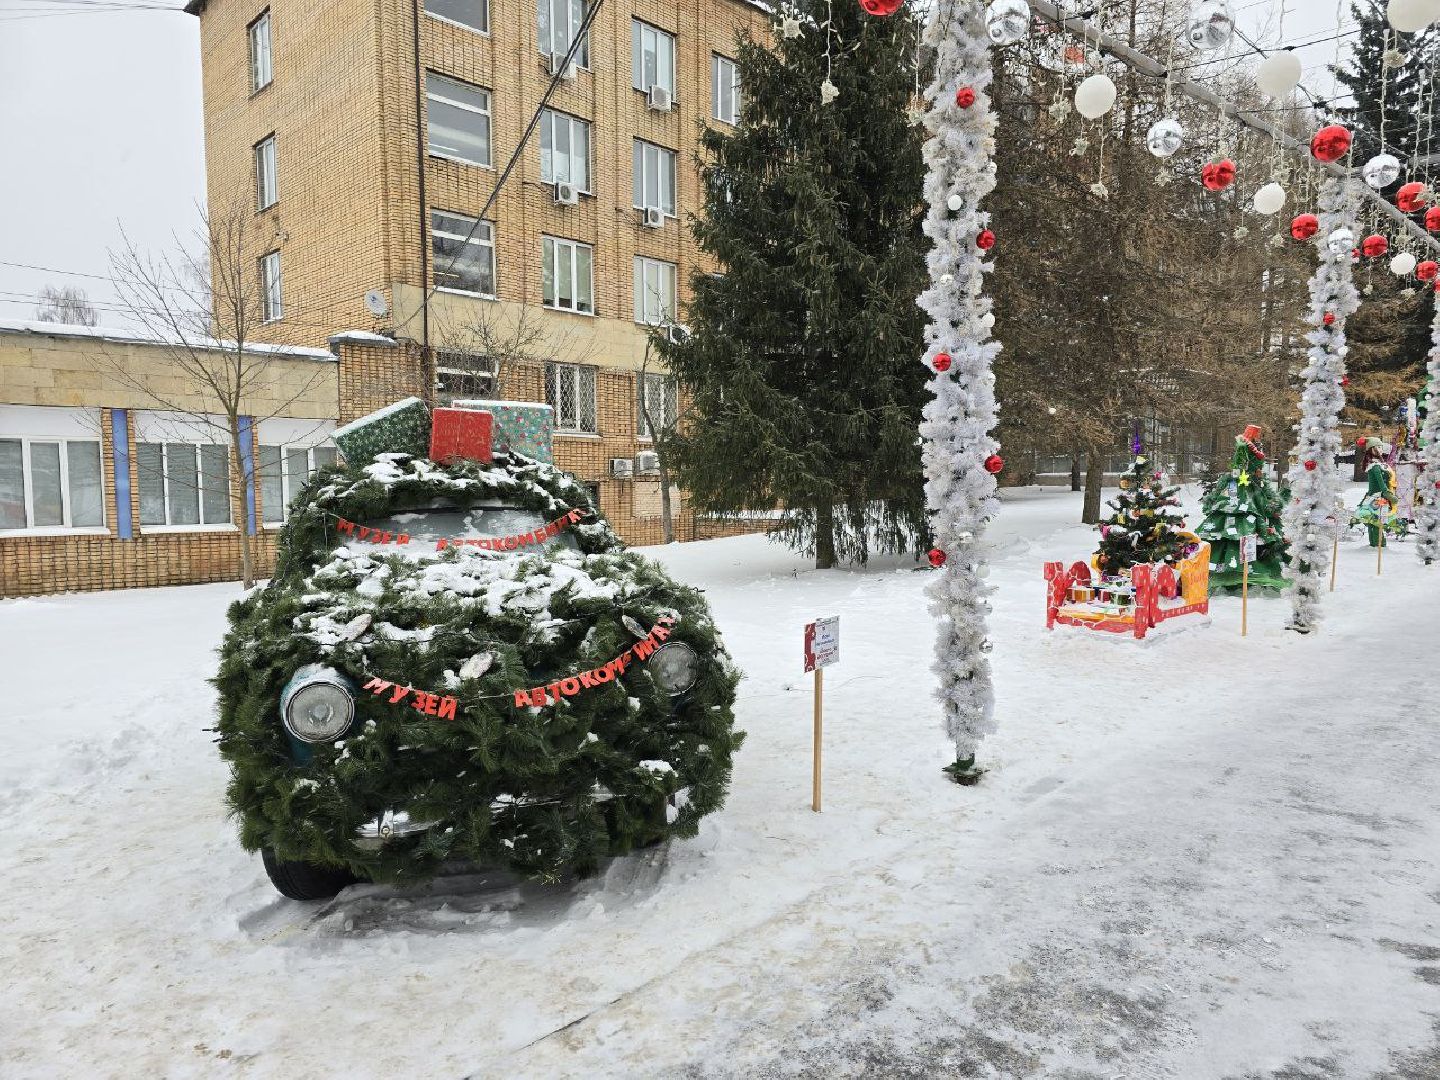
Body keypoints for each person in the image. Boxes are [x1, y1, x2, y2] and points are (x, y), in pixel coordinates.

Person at [1352, 439, 1406, 547]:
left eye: (1381, 447)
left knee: (1374, 521)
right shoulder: (1375, 466)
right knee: (1377, 521)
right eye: (1378, 447)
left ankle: (1375, 543)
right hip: (1378, 498)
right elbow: (1381, 483)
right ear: (1372, 449)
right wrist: (1387, 494)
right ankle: (1378, 544)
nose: (1381, 450)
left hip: (1374, 496)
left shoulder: (1378, 464)